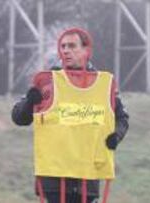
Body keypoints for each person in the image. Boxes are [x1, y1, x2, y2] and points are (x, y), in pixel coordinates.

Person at [12, 27, 129, 203]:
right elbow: (18, 117)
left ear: (86, 50)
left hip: (87, 179)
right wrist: (30, 102)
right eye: (63, 46)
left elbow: (122, 118)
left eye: (72, 46)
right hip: (53, 181)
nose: (66, 50)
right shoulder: (47, 81)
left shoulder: (102, 85)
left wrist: (116, 136)